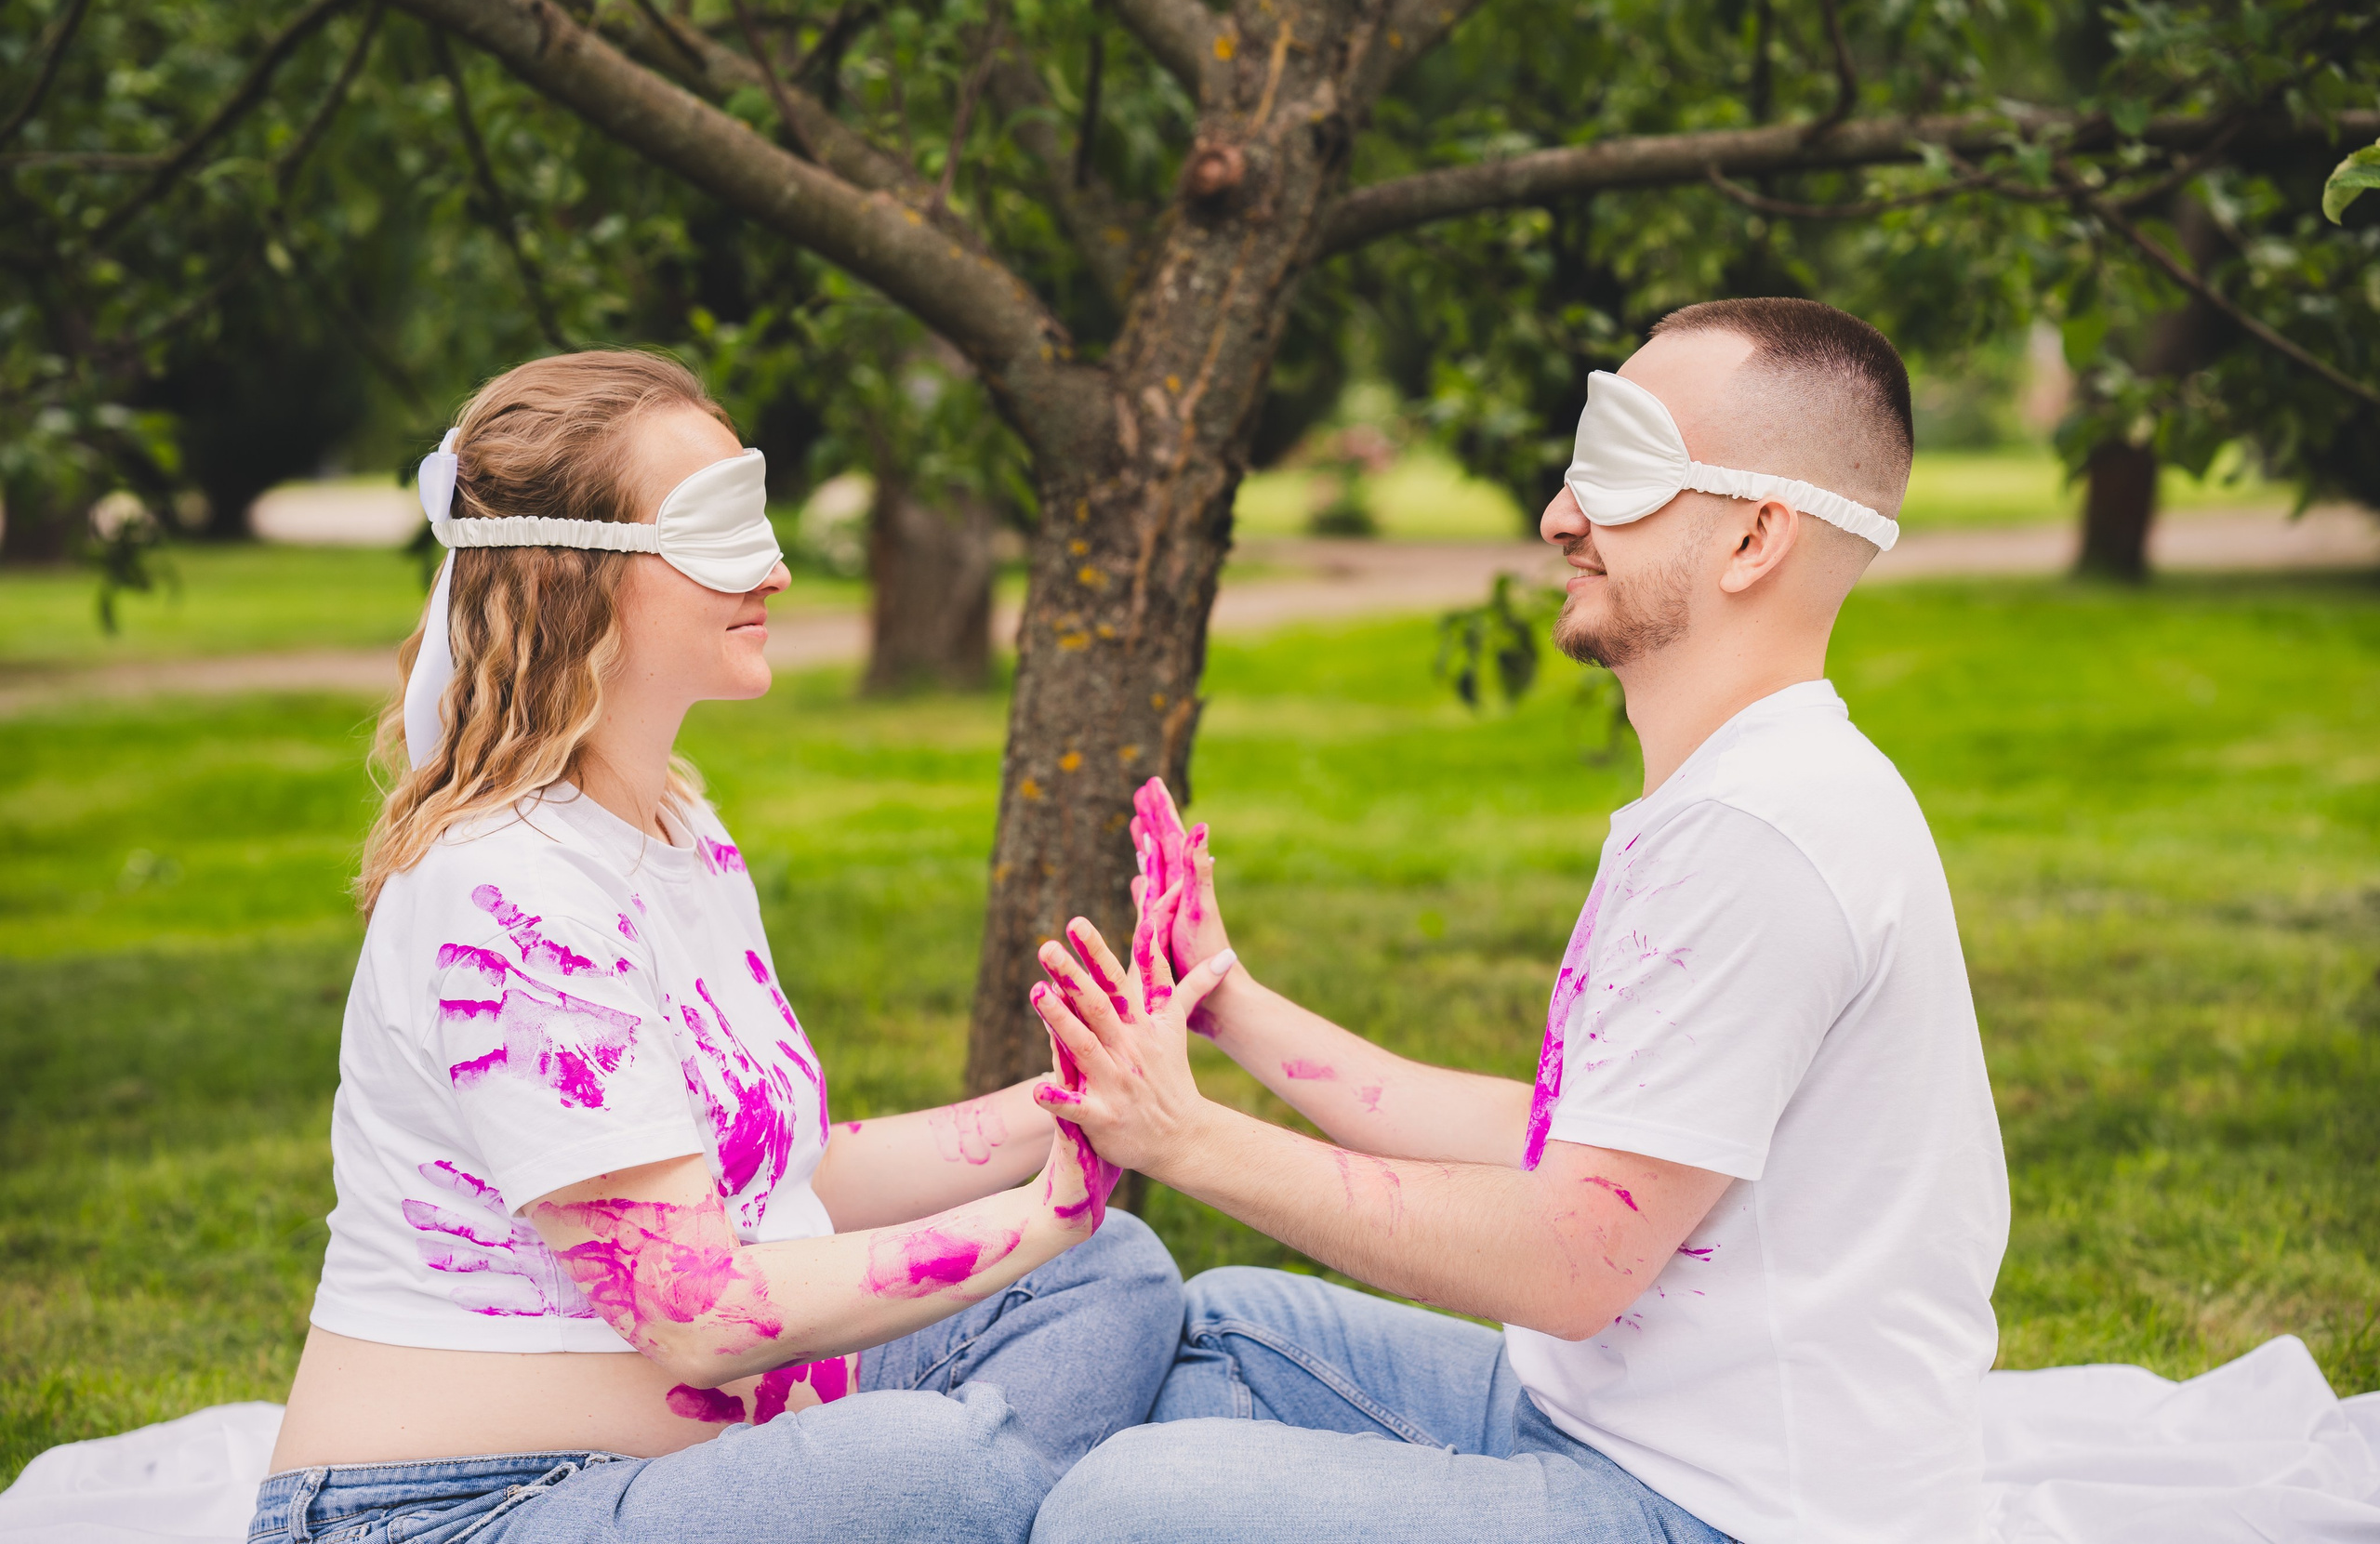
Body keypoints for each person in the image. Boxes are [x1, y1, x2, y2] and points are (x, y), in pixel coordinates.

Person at [1026, 298, 2011, 1544]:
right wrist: (1230, 1000)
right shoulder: (1738, 789)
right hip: (1604, 1423)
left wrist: (1187, 1138)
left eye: (1615, 472)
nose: (1559, 515)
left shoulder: (1763, 832)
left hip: (1726, 1507)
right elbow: (1553, 1135)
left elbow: (1569, 1258)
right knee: (1218, 1330)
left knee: (1121, 1511)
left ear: (1755, 536)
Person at [252, 350, 1179, 1544]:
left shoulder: (677, 827)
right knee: (925, 1466)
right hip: (458, 1512)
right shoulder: (508, 893)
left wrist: (1082, 1104)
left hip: (716, 1464)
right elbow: (700, 1313)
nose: (779, 570)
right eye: (720, 530)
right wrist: (1042, 1211)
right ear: (566, 581)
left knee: (1113, 1275)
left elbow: (777, 1181)